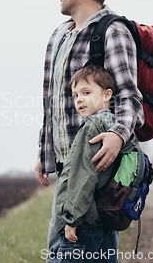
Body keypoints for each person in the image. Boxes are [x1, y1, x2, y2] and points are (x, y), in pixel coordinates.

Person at [34, 0, 144, 262]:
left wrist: (118, 136)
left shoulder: (112, 31)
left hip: (95, 175)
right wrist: (45, 154)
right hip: (68, 176)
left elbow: (129, 98)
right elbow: (52, 101)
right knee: (59, 254)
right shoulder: (58, 36)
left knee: (87, 251)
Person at [54, 65, 137, 263]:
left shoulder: (91, 127)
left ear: (107, 95)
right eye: (75, 95)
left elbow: (83, 176)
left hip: (84, 223)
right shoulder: (117, 130)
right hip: (105, 221)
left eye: (86, 92)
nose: (79, 99)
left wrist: (71, 219)